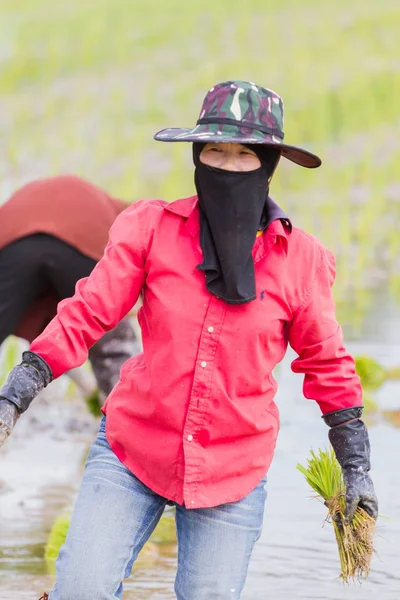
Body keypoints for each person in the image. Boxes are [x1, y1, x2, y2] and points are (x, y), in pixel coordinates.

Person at [0, 82, 378, 600]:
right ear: (197, 157)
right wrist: (14, 394)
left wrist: (356, 468)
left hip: (231, 469)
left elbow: (328, 364)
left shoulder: (301, 262)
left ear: (267, 166)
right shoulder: (151, 229)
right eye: (214, 151)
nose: (226, 165)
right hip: (134, 447)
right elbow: (88, 313)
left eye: (243, 153)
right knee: (81, 590)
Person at [0, 175, 138, 413]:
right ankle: (127, 416)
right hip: (84, 241)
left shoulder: (46, 193)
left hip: (13, 241)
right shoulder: (123, 218)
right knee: (110, 340)